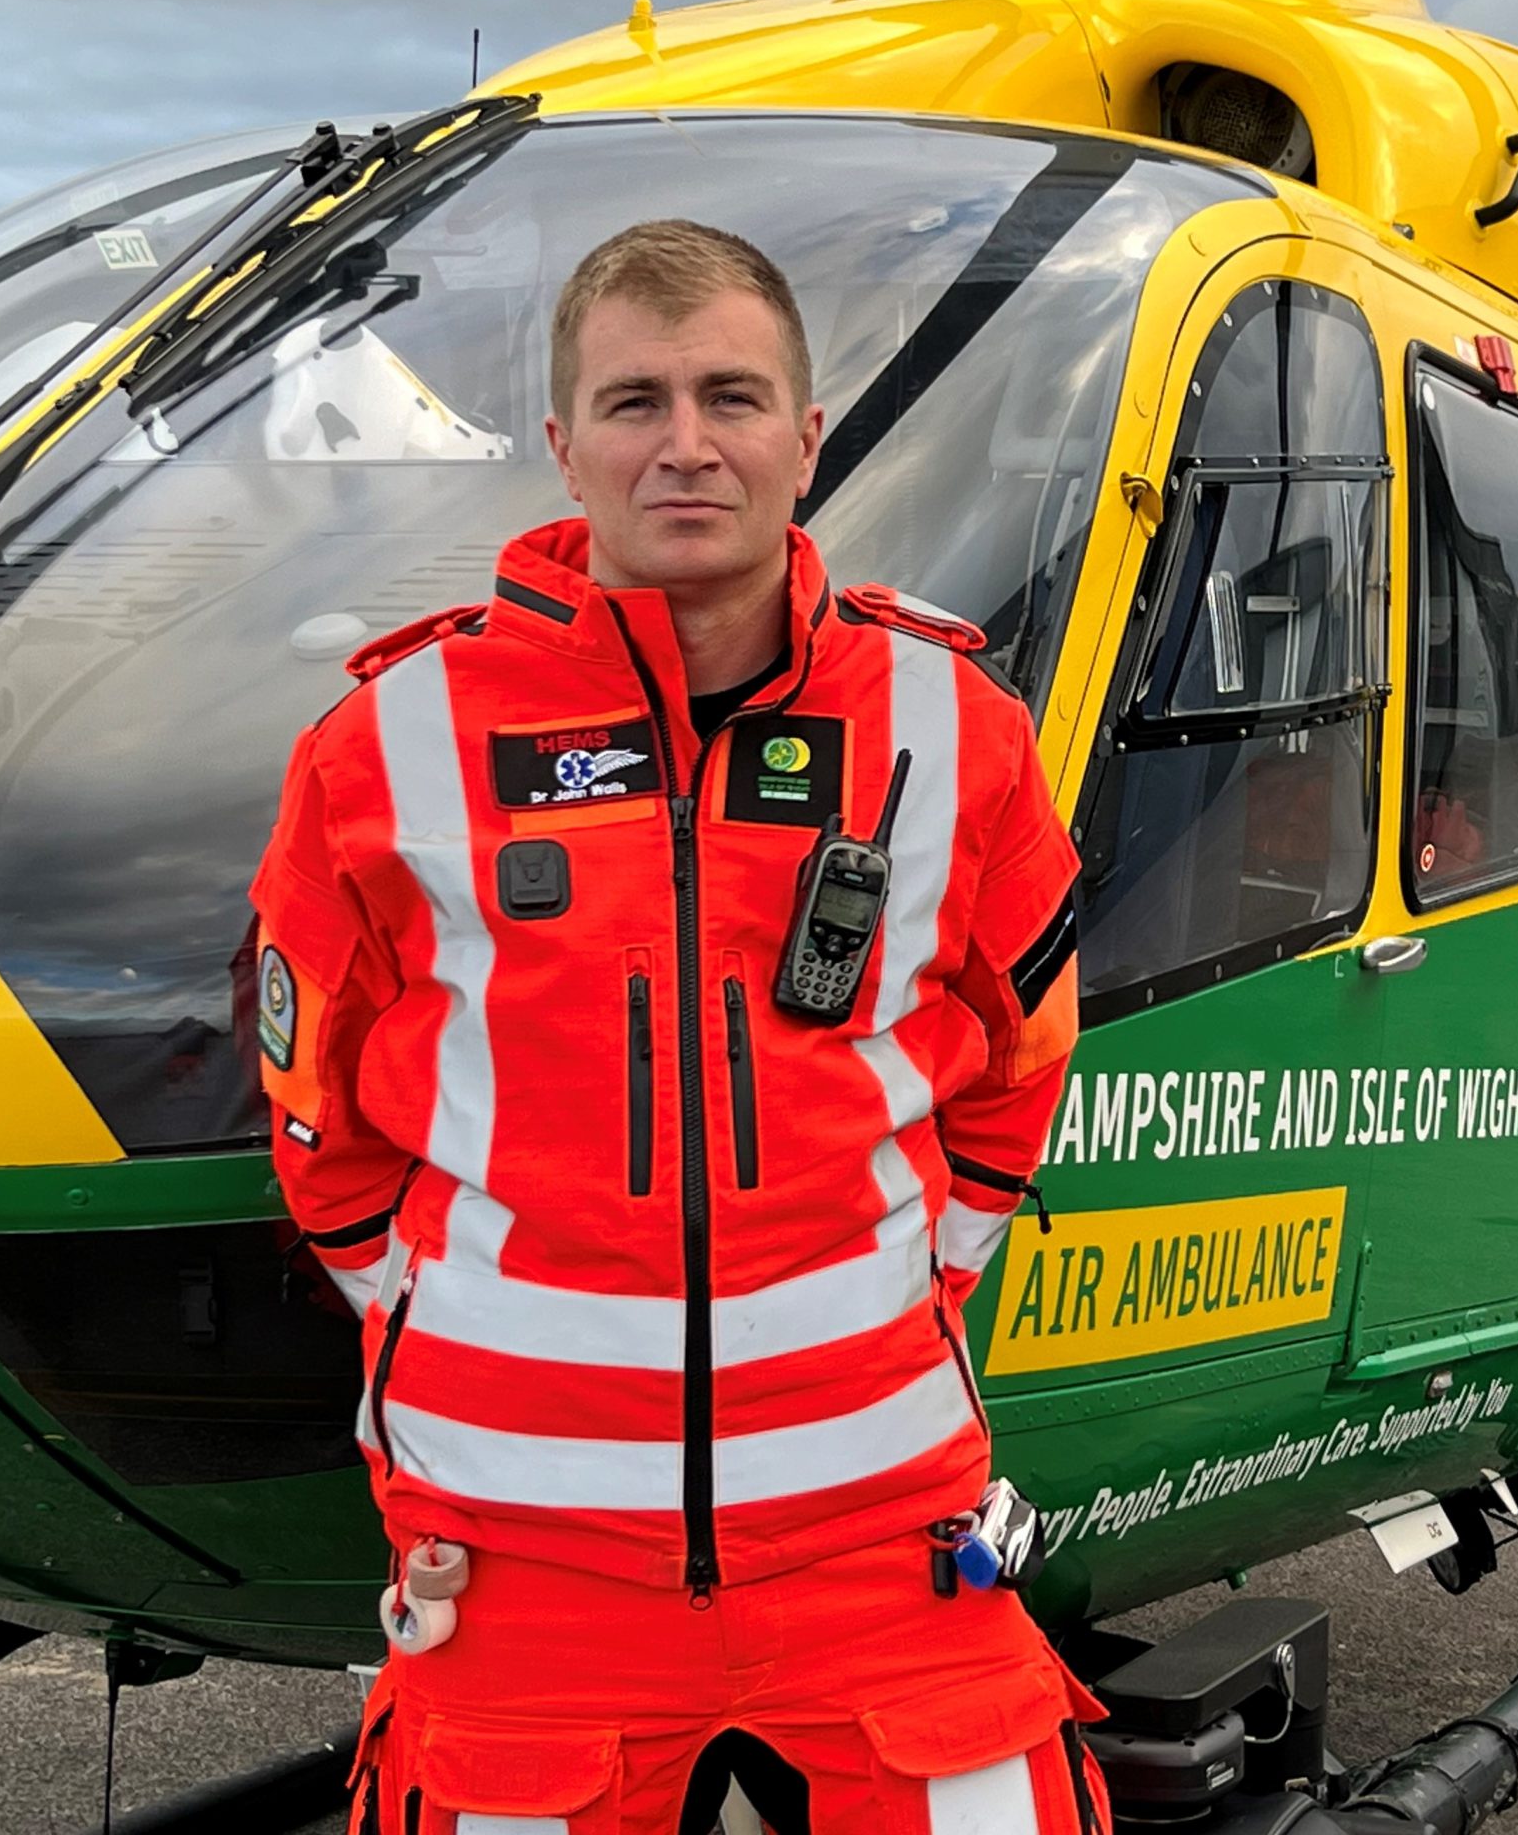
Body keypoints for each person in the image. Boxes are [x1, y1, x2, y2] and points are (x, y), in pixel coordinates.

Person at [249, 219, 1101, 1834]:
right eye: (636, 402)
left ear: (806, 435)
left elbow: (1025, 1049)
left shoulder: (954, 726)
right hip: (518, 1553)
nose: (688, 443)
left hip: (880, 1536)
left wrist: (919, 1272)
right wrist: (440, 1314)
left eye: (731, 394)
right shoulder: (388, 741)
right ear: (564, 446)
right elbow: (320, 1117)